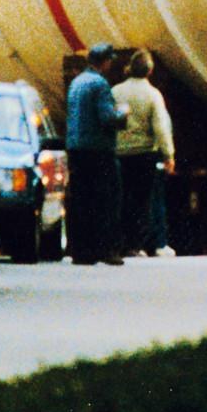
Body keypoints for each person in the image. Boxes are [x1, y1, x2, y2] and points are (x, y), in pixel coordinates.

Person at [65, 43, 127, 265]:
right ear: (106, 61)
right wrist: (122, 113)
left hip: (76, 148)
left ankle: (81, 251)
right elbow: (107, 118)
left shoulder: (76, 82)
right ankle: (107, 250)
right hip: (98, 150)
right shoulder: (100, 84)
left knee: (81, 200)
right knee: (106, 199)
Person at [114, 50, 176, 256]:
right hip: (144, 154)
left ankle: (124, 243)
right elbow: (161, 126)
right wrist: (169, 155)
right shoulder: (153, 95)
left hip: (120, 153)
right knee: (144, 200)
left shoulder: (116, 92)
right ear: (150, 71)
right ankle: (141, 244)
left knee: (124, 198)